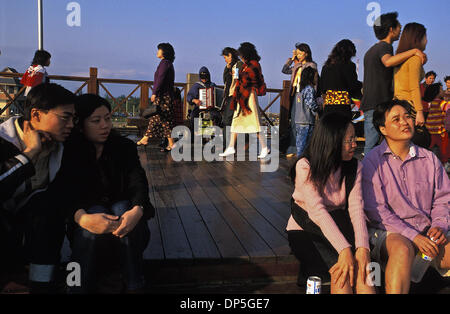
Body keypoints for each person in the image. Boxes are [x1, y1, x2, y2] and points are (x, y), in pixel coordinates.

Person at [58, 94, 154, 293]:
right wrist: (82, 218)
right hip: (88, 234)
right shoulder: (69, 151)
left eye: (108, 118)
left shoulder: (124, 148)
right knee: (91, 217)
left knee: (122, 209)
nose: (105, 125)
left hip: (129, 230)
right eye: (96, 120)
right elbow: (65, 194)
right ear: (80, 124)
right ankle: (75, 287)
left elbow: (138, 183)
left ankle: (135, 285)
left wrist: (138, 209)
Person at [362, 99, 450, 294]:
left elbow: (443, 198)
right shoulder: (372, 161)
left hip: (427, 232)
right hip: (389, 231)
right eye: (396, 119)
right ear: (383, 129)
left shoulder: (429, 159)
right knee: (402, 250)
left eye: (407, 117)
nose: (405, 122)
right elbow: (377, 212)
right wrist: (414, 237)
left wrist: (439, 226)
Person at [287, 112, 375, 294]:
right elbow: (317, 211)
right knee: (341, 268)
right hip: (307, 229)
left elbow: (356, 208)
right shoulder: (305, 166)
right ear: (332, 141)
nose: (354, 145)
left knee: (362, 266)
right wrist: (344, 250)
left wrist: (362, 248)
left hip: (339, 225)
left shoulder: (354, 167)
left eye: (355, 138)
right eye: (348, 140)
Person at [0, 83, 76, 293]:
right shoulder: (3, 140)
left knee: (48, 206)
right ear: (35, 114)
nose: (71, 125)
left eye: (74, 119)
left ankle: (40, 285)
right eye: (65, 117)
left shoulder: (60, 145)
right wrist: (30, 152)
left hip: (26, 224)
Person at [361, 12, 427, 156]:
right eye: (398, 27)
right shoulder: (384, 47)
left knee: (377, 144)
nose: (401, 29)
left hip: (371, 102)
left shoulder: (371, 50)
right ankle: (365, 175)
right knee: (372, 144)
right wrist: (414, 51)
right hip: (376, 103)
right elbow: (388, 61)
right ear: (391, 29)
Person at [219, 42, 269, 159]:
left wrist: (240, 78)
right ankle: (231, 147)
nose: (241, 56)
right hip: (242, 96)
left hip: (249, 96)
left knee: (255, 123)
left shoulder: (253, 65)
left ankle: (264, 147)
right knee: (236, 121)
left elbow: (252, 79)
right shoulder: (247, 65)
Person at [136, 43, 176, 151]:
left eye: (159, 50)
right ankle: (146, 138)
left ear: (164, 52)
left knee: (164, 119)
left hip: (164, 97)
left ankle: (171, 143)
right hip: (166, 96)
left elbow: (160, 79)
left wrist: (154, 92)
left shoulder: (164, 63)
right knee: (157, 118)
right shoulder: (168, 63)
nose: (157, 52)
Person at [282, 43, 318, 157]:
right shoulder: (296, 65)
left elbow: (314, 80)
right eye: (297, 53)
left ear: (306, 53)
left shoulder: (311, 65)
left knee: (305, 121)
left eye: (300, 53)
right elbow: (284, 70)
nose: (298, 55)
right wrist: (292, 60)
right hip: (295, 94)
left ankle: (304, 150)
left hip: (305, 94)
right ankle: (293, 148)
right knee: (294, 122)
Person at [394, 23, 428, 128]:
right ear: (417, 39)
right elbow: (414, 86)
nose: (426, 41)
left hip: (397, 102)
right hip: (409, 105)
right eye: (425, 37)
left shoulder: (399, 59)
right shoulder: (414, 59)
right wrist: (419, 111)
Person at [320, 39, 362, 120]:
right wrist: (360, 85)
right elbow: (352, 86)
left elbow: (322, 88)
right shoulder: (350, 66)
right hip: (343, 107)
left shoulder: (326, 66)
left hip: (328, 107)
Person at [424, 83, 450, 171]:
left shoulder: (430, 103)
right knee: (444, 151)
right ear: (437, 92)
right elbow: (448, 107)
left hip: (430, 132)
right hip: (440, 132)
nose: (444, 91)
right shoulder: (440, 102)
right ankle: (444, 166)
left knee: (430, 150)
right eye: (442, 90)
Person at [293, 66, 319, 157]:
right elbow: (311, 103)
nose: (317, 79)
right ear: (311, 77)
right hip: (306, 120)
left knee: (300, 144)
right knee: (304, 146)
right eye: (316, 77)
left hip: (299, 120)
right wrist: (318, 110)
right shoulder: (309, 89)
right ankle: (301, 163)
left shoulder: (301, 89)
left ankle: (299, 162)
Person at [186, 66, 217, 133]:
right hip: (199, 107)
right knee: (193, 116)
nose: (204, 80)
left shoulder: (213, 85)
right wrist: (194, 100)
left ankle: (215, 134)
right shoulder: (197, 85)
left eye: (205, 78)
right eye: (202, 78)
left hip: (212, 108)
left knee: (218, 116)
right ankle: (194, 134)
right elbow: (189, 96)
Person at [221, 47, 243, 128]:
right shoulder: (229, 66)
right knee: (227, 119)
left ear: (230, 55)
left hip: (235, 95)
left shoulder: (238, 65)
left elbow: (237, 78)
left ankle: (228, 140)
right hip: (229, 95)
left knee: (228, 120)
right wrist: (227, 68)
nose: (225, 60)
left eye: (225, 57)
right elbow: (225, 80)